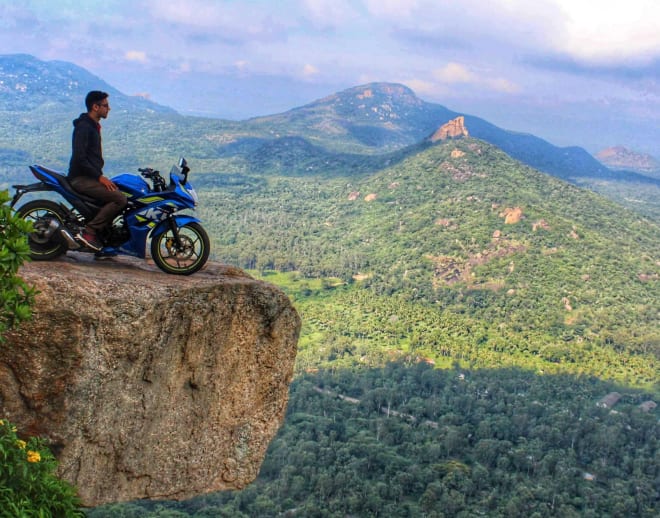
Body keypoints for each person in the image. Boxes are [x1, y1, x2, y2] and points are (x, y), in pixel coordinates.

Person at [68, 90, 127, 251]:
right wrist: (99, 177)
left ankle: (104, 235)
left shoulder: (92, 125)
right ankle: (90, 231)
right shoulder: (84, 127)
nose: (109, 108)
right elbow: (80, 158)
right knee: (120, 199)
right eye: (106, 105)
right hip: (80, 178)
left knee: (119, 190)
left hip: (89, 177)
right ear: (95, 107)